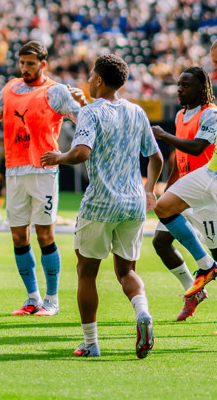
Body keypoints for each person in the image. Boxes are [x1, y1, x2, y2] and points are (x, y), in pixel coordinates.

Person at [41, 54, 162, 359]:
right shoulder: (137, 112)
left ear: (99, 80)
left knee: (86, 272)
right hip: (133, 203)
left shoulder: (91, 113)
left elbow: (81, 153)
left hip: (100, 203)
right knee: (126, 272)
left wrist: (59, 156)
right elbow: (156, 158)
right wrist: (149, 191)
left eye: (92, 75)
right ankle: (142, 312)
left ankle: (90, 343)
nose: (89, 79)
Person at [0, 41, 85, 317]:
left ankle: (52, 299)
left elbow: (83, 119)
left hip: (44, 170)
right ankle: (32, 297)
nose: (25, 68)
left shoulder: (55, 91)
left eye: (30, 64)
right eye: (22, 63)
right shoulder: (10, 88)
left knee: (45, 234)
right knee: (18, 235)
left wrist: (69, 151)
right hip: (15, 171)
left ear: (43, 64)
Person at [149, 67, 217, 321]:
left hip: (206, 192)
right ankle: (192, 290)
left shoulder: (211, 115)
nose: (180, 89)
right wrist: (170, 184)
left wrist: (163, 136)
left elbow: (197, 148)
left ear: (201, 88)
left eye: (186, 85)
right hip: (183, 191)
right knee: (161, 242)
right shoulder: (180, 115)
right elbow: (181, 156)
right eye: (179, 84)